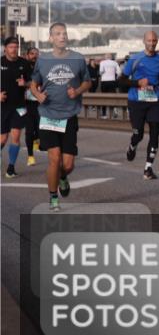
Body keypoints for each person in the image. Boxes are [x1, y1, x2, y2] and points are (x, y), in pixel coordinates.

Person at [29, 23, 92, 212]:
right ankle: (53, 197)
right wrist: (37, 95)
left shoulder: (78, 59)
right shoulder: (43, 60)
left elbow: (88, 82)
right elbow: (33, 84)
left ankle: (63, 177)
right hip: (48, 115)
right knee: (54, 159)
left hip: (69, 116)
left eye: (64, 33)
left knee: (68, 164)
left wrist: (78, 90)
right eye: (57, 34)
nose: (62, 36)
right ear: (51, 39)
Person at [121, 31, 159, 180]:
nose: (152, 43)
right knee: (138, 134)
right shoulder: (135, 59)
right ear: (144, 41)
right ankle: (132, 146)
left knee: (155, 132)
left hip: (154, 101)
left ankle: (148, 168)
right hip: (136, 101)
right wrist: (137, 83)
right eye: (149, 40)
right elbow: (121, 80)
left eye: (154, 40)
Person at [1, 36, 32, 178]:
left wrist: (24, 84)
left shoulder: (24, 63)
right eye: (11, 47)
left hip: (19, 106)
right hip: (3, 105)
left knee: (16, 135)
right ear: (5, 48)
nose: (14, 50)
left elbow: (32, 83)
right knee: (2, 138)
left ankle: (11, 167)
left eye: (16, 47)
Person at [24, 47, 41, 167]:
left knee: (40, 130)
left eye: (36, 54)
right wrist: (27, 84)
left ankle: (36, 138)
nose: (34, 56)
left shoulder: (42, 68)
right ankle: (30, 156)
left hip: (40, 102)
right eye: (32, 54)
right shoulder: (23, 67)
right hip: (27, 103)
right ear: (27, 55)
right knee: (29, 131)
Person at [98, 53, 121, 118]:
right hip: (113, 81)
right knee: (113, 96)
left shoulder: (102, 62)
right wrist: (116, 77)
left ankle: (104, 114)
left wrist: (101, 74)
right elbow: (119, 72)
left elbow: (101, 71)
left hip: (104, 82)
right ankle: (115, 110)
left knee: (104, 97)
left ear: (105, 57)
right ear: (111, 57)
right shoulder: (115, 63)